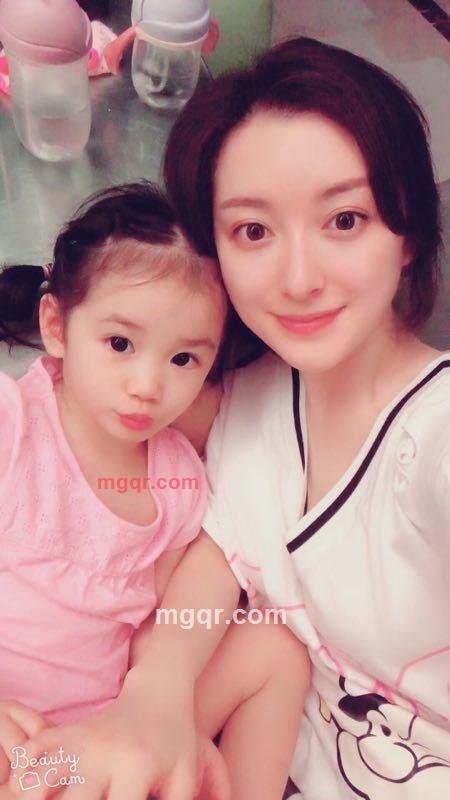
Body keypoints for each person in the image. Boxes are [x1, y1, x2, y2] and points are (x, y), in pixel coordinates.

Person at [110, 36, 449, 799]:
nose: (298, 280)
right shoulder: (252, 396)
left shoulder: (433, 437)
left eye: (345, 220)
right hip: (260, 744)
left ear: (407, 235)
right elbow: (224, 554)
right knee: (43, 769)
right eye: (254, 232)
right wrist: (154, 686)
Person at [0, 182, 310, 800]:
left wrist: (169, 721)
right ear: (57, 327)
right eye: (120, 344)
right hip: (18, 744)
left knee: (277, 647)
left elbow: (153, 626)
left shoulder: (180, 486)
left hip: (103, 738)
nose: (148, 384)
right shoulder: (15, 424)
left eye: (184, 360)